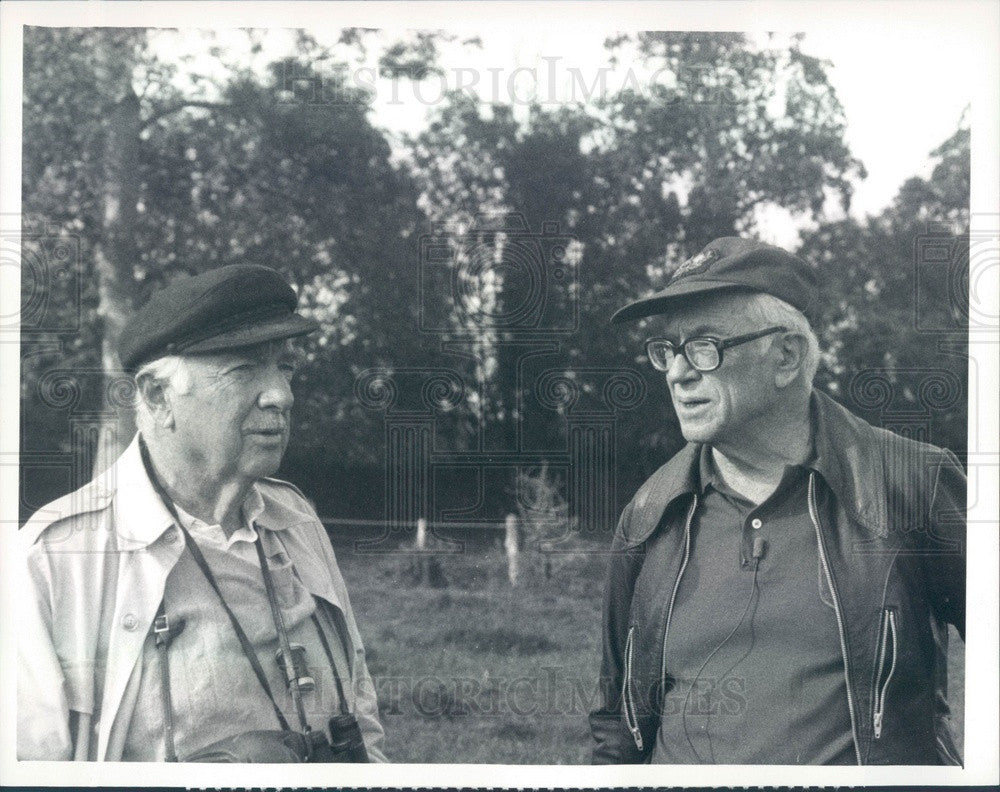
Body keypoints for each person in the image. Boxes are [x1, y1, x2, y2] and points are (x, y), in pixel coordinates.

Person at [589, 237, 966, 765]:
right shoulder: (650, 512)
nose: (677, 372)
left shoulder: (913, 484)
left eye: (703, 344)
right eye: (668, 350)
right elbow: (617, 724)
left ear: (786, 356)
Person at [19, 265, 387, 762]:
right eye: (243, 370)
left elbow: (361, 710)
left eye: (285, 368)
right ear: (157, 396)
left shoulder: (296, 519)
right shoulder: (55, 558)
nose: (282, 394)